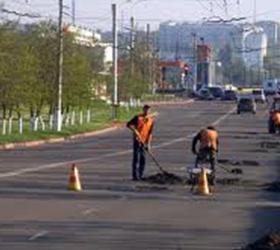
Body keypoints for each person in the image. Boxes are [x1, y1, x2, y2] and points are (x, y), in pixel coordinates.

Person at [127, 105, 154, 181]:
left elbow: (150, 133)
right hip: (137, 140)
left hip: (144, 141)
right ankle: (135, 176)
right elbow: (128, 124)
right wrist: (135, 131)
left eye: (148, 110)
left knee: (143, 158)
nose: (147, 111)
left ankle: (140, 174)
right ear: (143, 110)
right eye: (146, 110)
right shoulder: (138, 117)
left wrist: (148, 144)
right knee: (136, 158)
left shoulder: (151, 120)